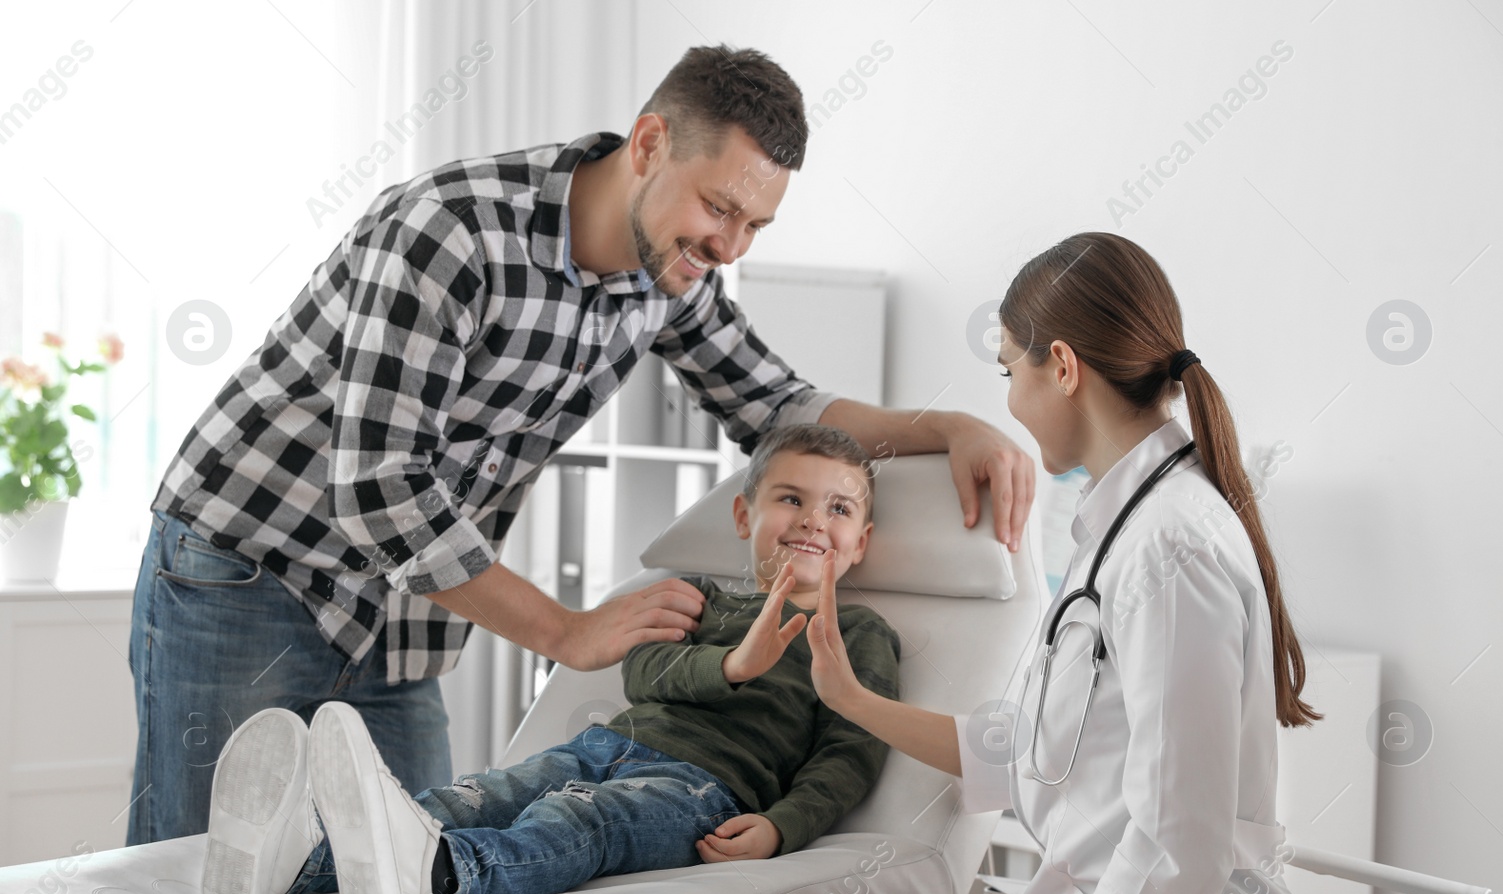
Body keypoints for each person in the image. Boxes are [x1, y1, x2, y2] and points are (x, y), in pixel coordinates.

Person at [127, 43, 1033, 846]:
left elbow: (777, 404)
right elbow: (380, 487)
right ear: (647, 146)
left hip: (398, 613)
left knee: (401, 875)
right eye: (719, 207)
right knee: (202, 870)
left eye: (755, 226)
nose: (729, 244)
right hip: (250, 565)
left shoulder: (670, 275)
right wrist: (567, 631)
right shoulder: (454, 229)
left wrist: (946, 424)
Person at [778, 233, 1322, 894]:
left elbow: (1180, 838)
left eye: (1009, 370)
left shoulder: (1168, 549)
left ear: (1061, 367)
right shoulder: (1121, 534)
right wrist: (850, 696)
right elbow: (1023, 753)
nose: (1012, 402)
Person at [199, 424, 901, 894]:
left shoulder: (860, 636)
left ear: (863, 541)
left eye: (839, 508)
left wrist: (781, 827)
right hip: (601, 748)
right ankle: (294, 863)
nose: (813, 520)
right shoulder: (699, 597)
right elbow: (644, 670)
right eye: (791, 499)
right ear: (745, 514)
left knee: (577, 819)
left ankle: (440, 876)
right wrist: (730, 663)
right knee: (477, 793)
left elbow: (849, 755)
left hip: (704, 792)